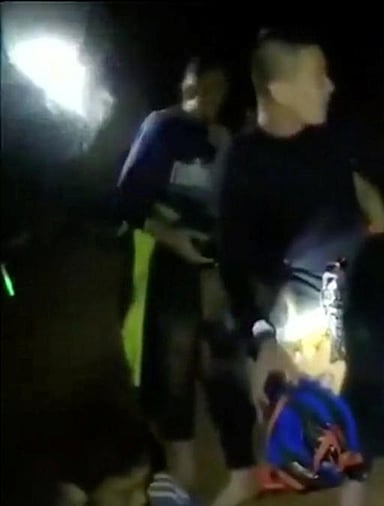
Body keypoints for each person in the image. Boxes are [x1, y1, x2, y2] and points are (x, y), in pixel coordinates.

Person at [217, 29, 384, 506]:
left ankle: (357, 488)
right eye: (318, 77)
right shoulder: (241, 162)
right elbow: (236, 263)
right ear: (280, 90)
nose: (330, 87)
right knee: (225, 358)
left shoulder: (338, 133)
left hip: (358, 268)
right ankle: (244, 471)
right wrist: (262, 337)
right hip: (293, 288)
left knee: (362, 363)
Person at [115, 57, 257, 506]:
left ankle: (239, 474)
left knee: (226, 372)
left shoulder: (221, 140)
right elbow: (127, 199)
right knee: (171, 374)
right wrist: (174, 237)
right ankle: (180, 481)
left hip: (214, 270)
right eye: (199, 86)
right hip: (171, 264)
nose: (206, 97)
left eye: (216, 89)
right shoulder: (163, 127)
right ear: (183, 85)